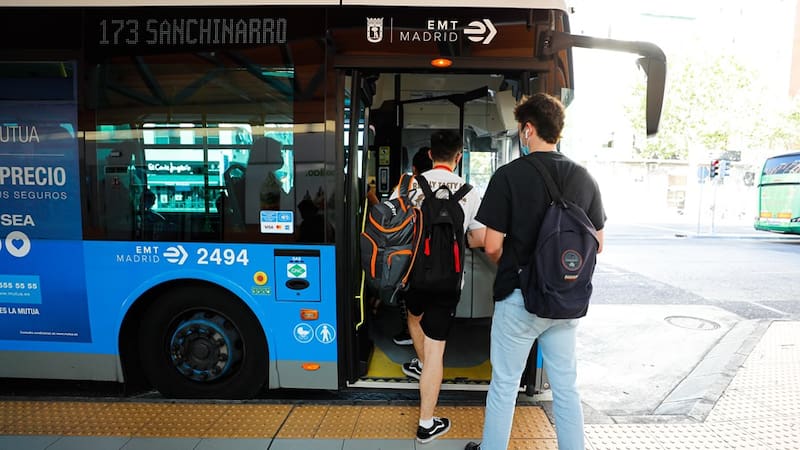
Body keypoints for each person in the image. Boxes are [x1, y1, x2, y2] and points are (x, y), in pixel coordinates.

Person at [464, 93, 605, 450]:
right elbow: (598, 243)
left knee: (505, 385)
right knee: (566, 387)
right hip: (565, 300)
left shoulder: (509, 175)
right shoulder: (584, 177)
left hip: (519, 298)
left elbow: (491, 245)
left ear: (528, 129)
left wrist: (512, 266)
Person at [395, 131, 486, 443]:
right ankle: (426, 423)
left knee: (413, 316)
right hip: (449, 281)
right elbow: (479, 238)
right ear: (458, 157)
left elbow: (392, 225)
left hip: (413, 276)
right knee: (437, 350)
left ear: (431, 154)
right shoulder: (470, 192)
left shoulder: (409, 185)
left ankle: (421, 365)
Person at [392, 146, 434, 346]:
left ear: (414, 168)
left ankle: (410, 333)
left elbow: (391, 213)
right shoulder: (453, 185)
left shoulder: (406, 185)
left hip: (409, 251)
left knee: (407, 294)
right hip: (439, 253)